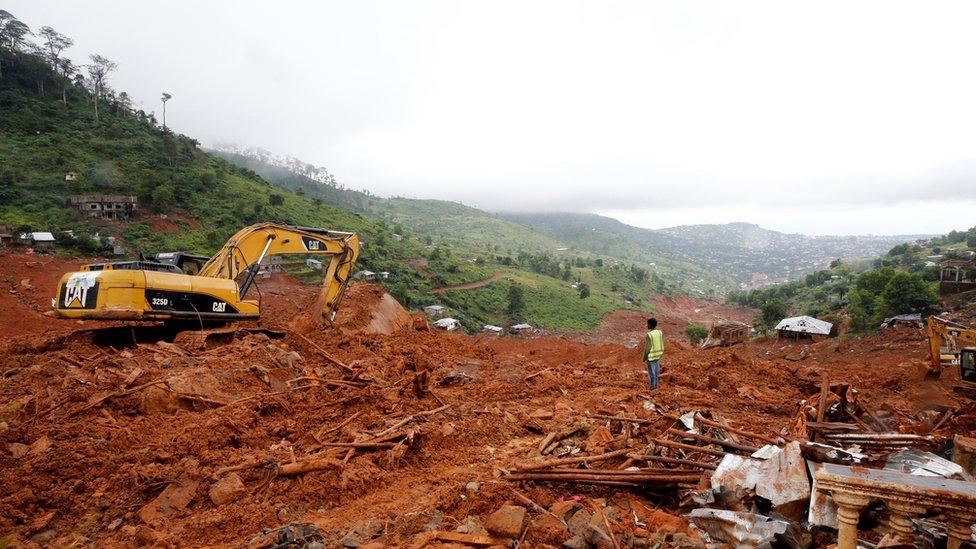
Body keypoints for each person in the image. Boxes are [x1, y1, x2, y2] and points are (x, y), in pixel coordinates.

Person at [642, 318, 664, 391]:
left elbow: (648, 348)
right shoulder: (660, 332)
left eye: (647, 324)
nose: (646, 325)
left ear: (650, 325)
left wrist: (644, 357)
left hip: (651, 356)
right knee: (656, 371)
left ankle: (653, 388)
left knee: (652, 373)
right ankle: (656, 386)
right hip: (658, 355)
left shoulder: (649, 335)